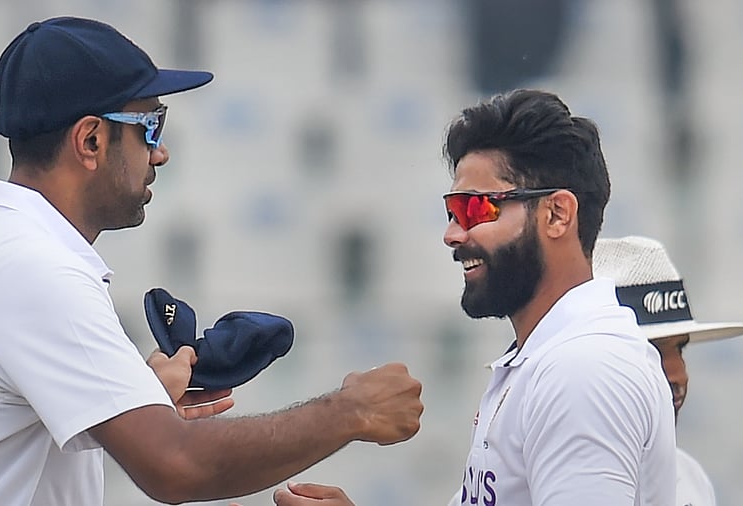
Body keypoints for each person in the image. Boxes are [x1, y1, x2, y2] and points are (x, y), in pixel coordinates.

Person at [0, 16, 424, 506]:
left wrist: (135, 395)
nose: (160, 152)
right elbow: (174, 467)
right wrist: (351, 412)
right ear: (90, 140)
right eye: (149, 127)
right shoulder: (32, 268)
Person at [270, 89, 677, 506]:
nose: (452, 234)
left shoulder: (584, 368)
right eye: (452, 211)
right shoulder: (547, 358)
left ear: (557, 214)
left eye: (476, 209)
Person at [594, 235, 743, 506]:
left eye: (681, 349)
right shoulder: (553, 473)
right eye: (652, 351)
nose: (678, 375)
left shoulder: (690, 478)